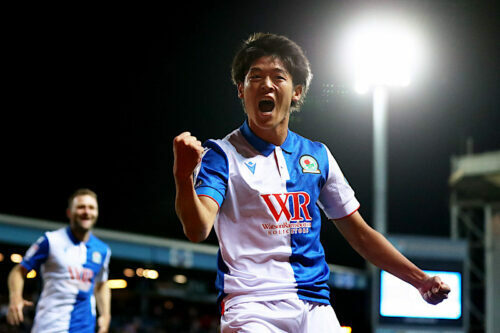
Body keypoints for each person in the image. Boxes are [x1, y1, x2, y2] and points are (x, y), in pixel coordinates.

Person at [173, 33, 450, 332]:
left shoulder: (318, 156)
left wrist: (420, 280)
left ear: (296, 91)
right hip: (251, 306)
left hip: (314, 304)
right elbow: (197, 229)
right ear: (241, 90)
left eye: (278, 77)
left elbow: (361, 235)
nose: (266, 84)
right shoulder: (221, 155)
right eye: (255, 77)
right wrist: (183, 176)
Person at [7, 188, 112, 333]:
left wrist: (106, 315)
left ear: (97, 213)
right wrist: (15, 297)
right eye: (81, 207)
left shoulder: (102, 250)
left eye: (91, 207)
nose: (86, 212)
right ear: (69, 213)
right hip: (50, 326)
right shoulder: (51, 240)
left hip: (85, 327)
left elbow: (101, 285)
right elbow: (18, 271)